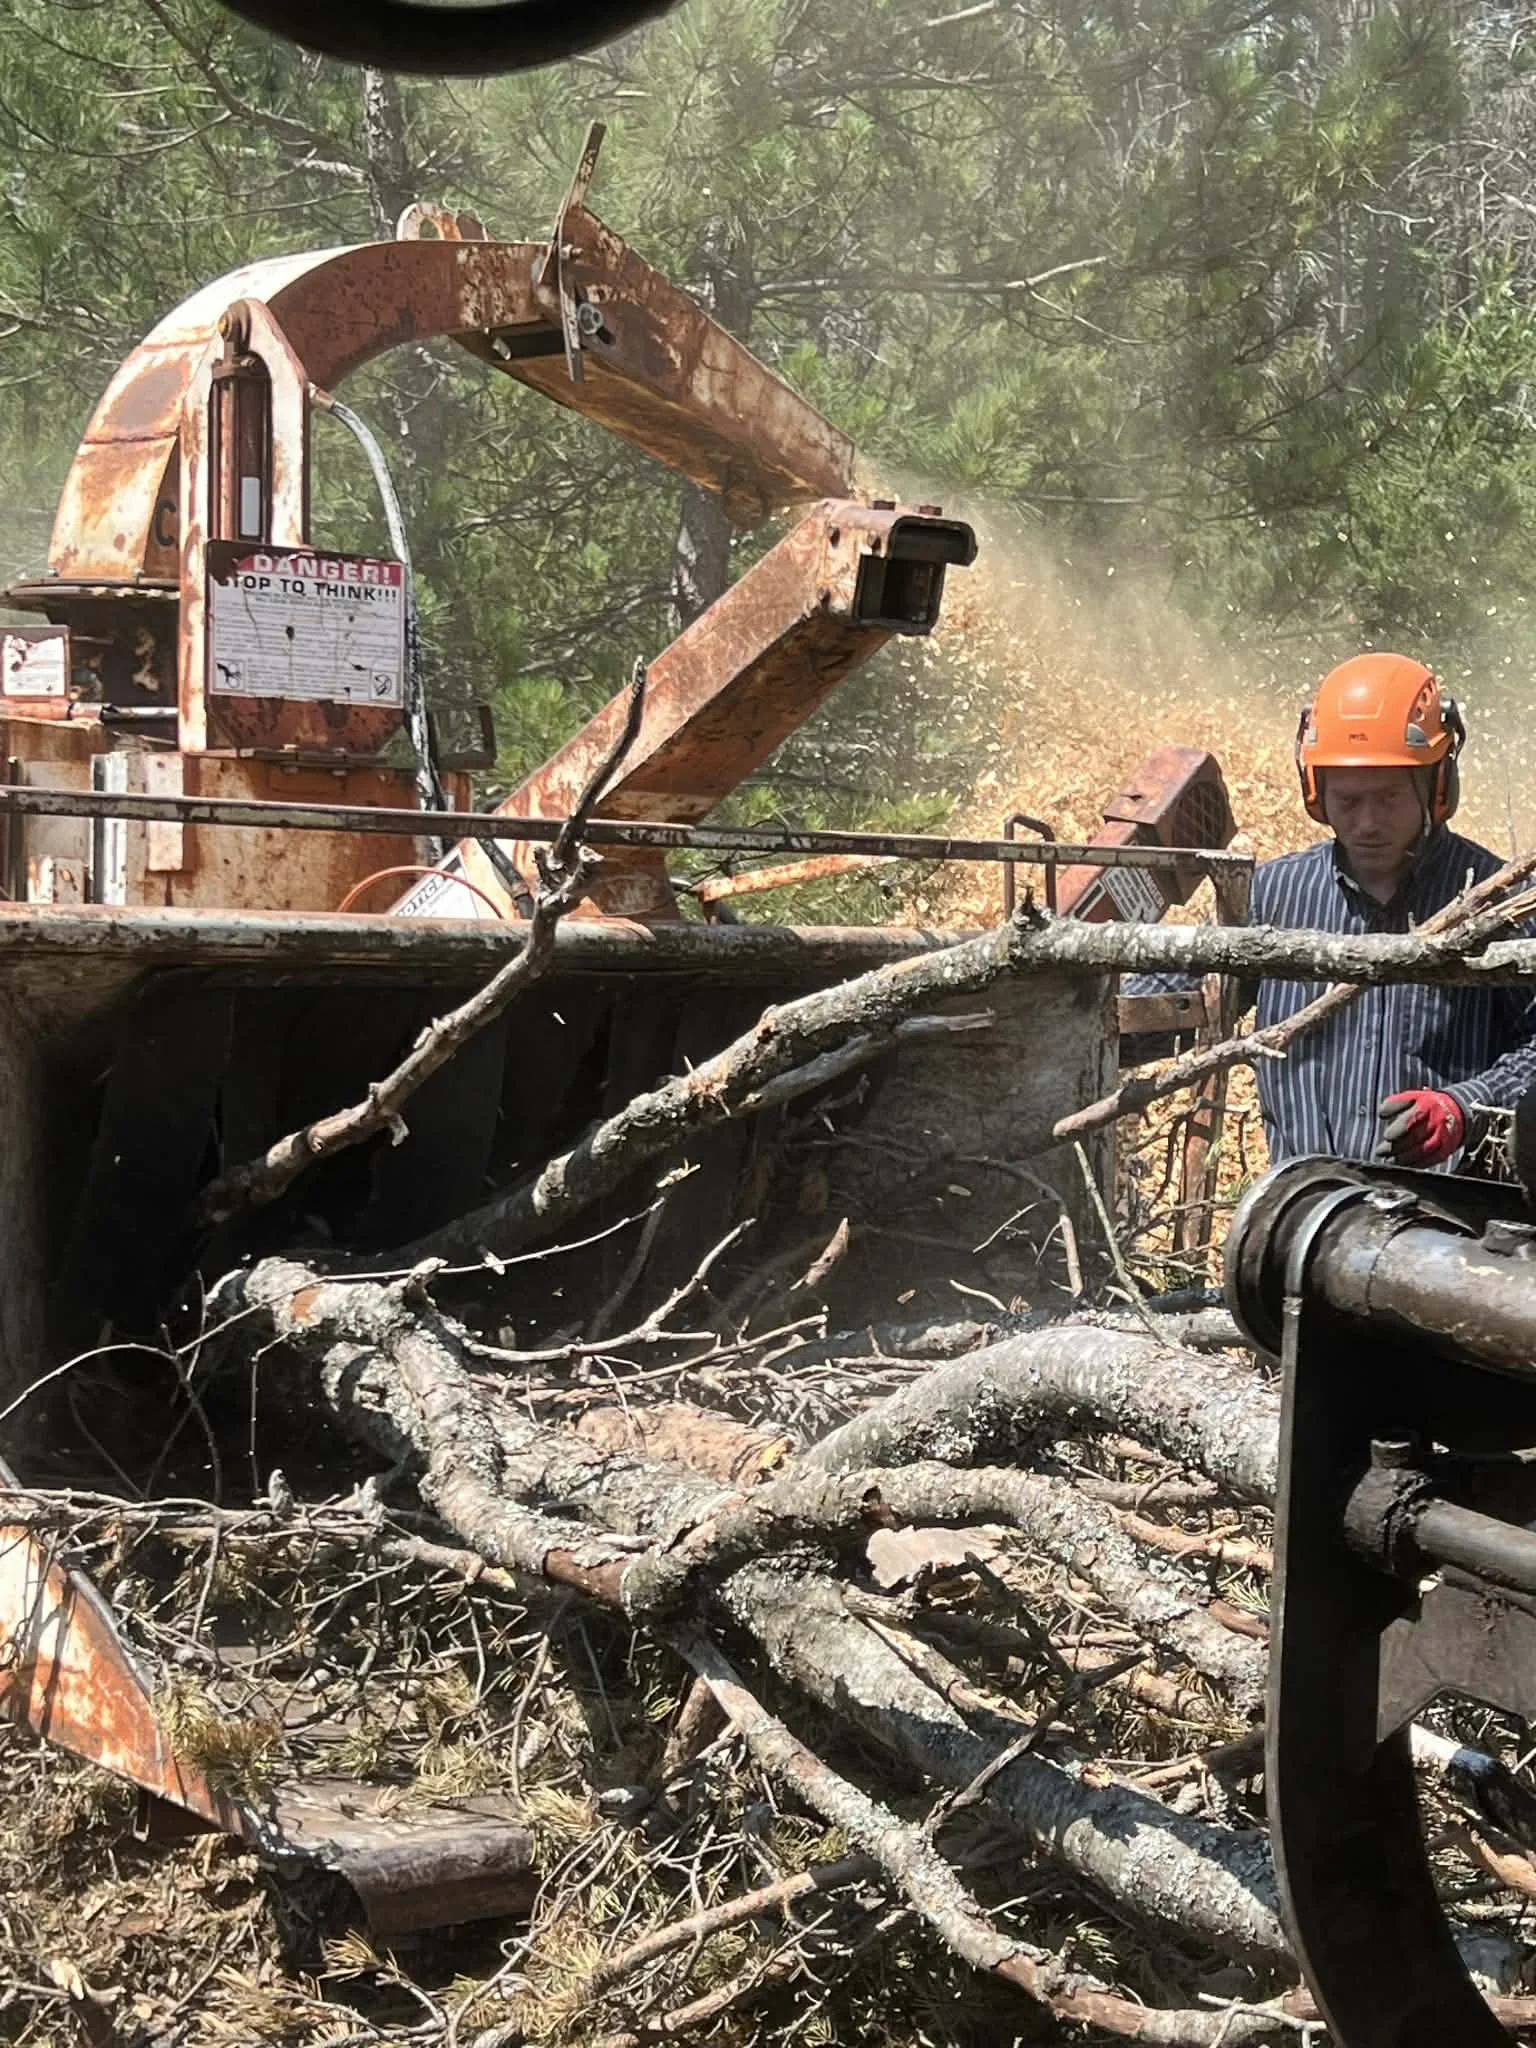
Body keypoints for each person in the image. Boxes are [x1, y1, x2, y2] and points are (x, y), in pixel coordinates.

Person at [1139, 653, 1536, 1167]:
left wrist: (1465, 1107)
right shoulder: (1274, 895)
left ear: (1437, 786)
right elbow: (1172, 1005)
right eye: (1348, 801)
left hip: (1448, 1205)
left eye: (1389, 797)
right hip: (1305, 1199)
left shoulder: (1500, 902)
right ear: (1316, 793)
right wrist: (1074, 1009)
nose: (1368, 822)